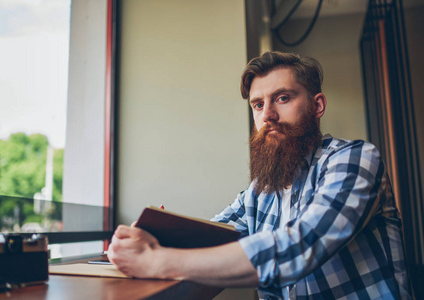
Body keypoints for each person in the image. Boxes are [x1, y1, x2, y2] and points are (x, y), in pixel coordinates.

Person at [107, 51, 411, 299]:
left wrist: (157, 259)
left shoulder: (355, 159)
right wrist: (154, 236)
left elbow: (299, 247)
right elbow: (212, 239)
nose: (267, 116)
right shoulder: (260, 190)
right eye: (258, 104)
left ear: (317, 106)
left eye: (282, 98)